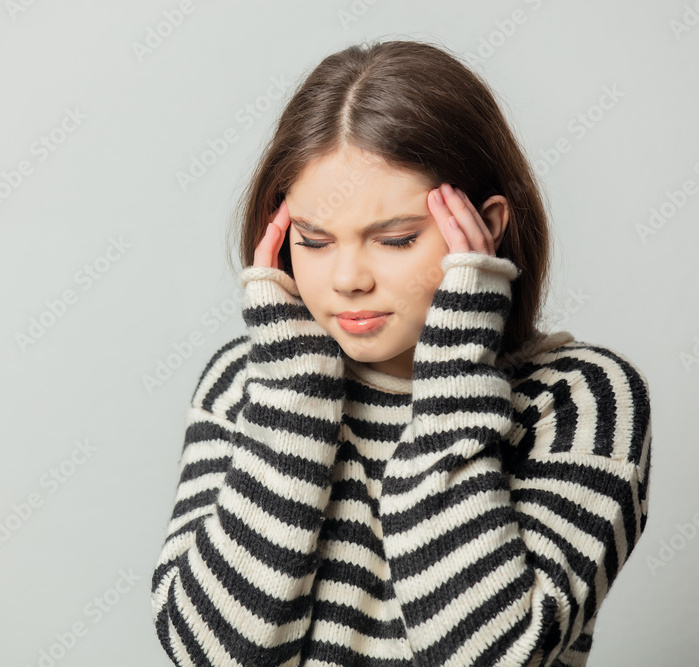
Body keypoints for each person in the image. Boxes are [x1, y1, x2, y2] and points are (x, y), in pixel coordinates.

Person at [151, 38, 652, 667]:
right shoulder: (245, 383)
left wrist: (457, 373)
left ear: (486, 227)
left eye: (394, 240)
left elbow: (496, 655)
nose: (347, 278)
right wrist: (291, 398)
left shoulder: (582, 400)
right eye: (313, 239)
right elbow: (213, 652)